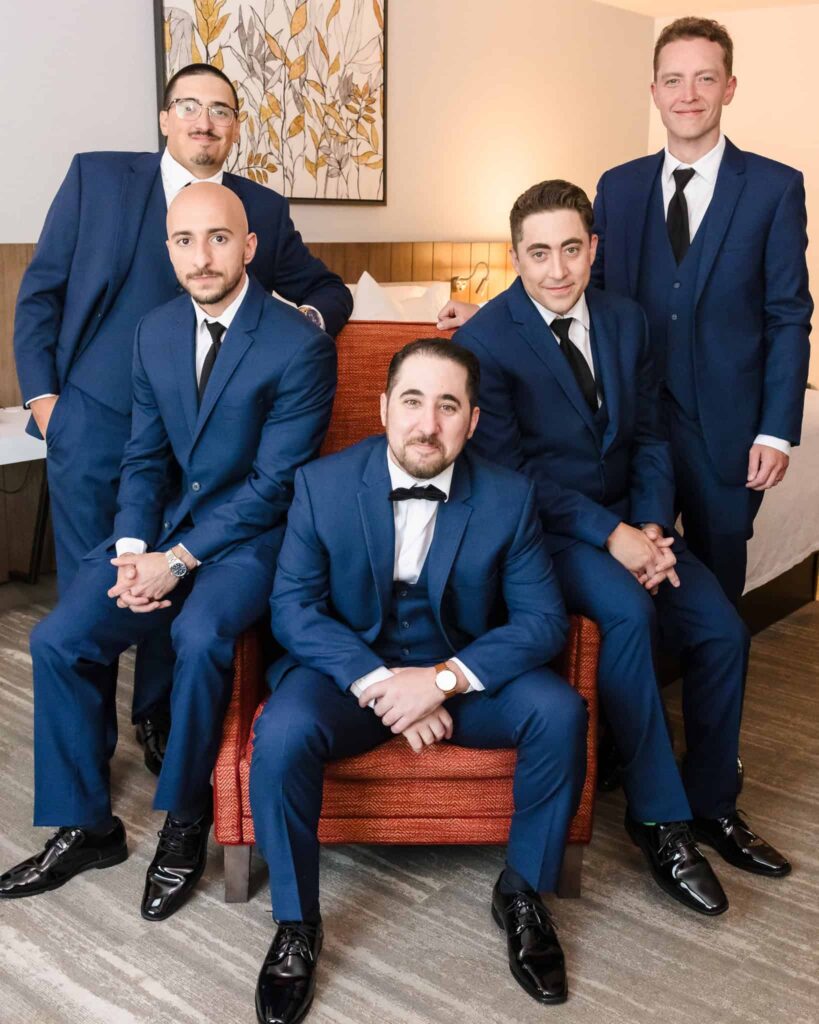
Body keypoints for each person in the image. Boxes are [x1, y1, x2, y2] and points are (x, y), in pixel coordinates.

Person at [0, 183, 337, 923]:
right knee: (59, 638)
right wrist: (130, 550)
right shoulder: (154, 331)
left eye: (218, 238)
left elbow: (273, 485)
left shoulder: (299, 344)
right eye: (184, 241)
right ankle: (88, 827)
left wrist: (177, 561)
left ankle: (187, 820)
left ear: (248, 248)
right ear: (169, 250)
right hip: (161, 534)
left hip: (253, 542)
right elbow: (145, 457)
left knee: (198, 635)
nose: (201, 255)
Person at [453, 180, 790, 919]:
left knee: (721, 632)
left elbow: (647, 439)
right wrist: (612, 537)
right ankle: (657, 821)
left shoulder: (626, 320)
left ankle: (711, 803)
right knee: (629, 618)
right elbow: (514, 477)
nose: (556, 270)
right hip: (547, 533)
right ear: (515, 256)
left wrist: (650, 528)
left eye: (570, 249)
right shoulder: (485, 341)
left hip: (633, 523)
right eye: (537, 253)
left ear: (593, 248)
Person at [13, 62, 352, 767]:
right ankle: (86, 763)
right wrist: (48, 404)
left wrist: (304, 327)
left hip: (202, 451)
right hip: (95, 428)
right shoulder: (98, 180)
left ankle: (158, 724)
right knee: (93, 598)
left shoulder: (259, 208)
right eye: (189, 106)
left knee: (176, 587)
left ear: (234, 127)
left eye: (221, 110)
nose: (205, 121)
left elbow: (322, 287)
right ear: (165, 118)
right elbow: (40, 293)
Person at [250, 339, 588, 1022]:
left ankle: (521, 893)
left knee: (560, 713)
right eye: (411, 401)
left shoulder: (509, 496)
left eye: (447, 406)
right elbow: (293, 608)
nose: (426, 424)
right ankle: (296, 922)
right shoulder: (321, 485)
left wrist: (441, 680)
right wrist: (380, 682)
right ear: (382, 408)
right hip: (349, 673)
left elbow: (542, 621)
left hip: (464, 677)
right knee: (282, 731)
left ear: (472, 420)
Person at [438, 17, 812, 606]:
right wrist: (491, 311)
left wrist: (777, 431)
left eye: (704, 79)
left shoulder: (774, 188)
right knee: (650, 585)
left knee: (714, 595)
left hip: (729, 432)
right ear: (655, 92)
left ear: (729, 87)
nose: (688, 95)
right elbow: (580, 287)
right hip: (633, 430)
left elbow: (788, 315)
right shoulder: (619, 185)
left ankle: (705, 683)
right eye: (673, 81)